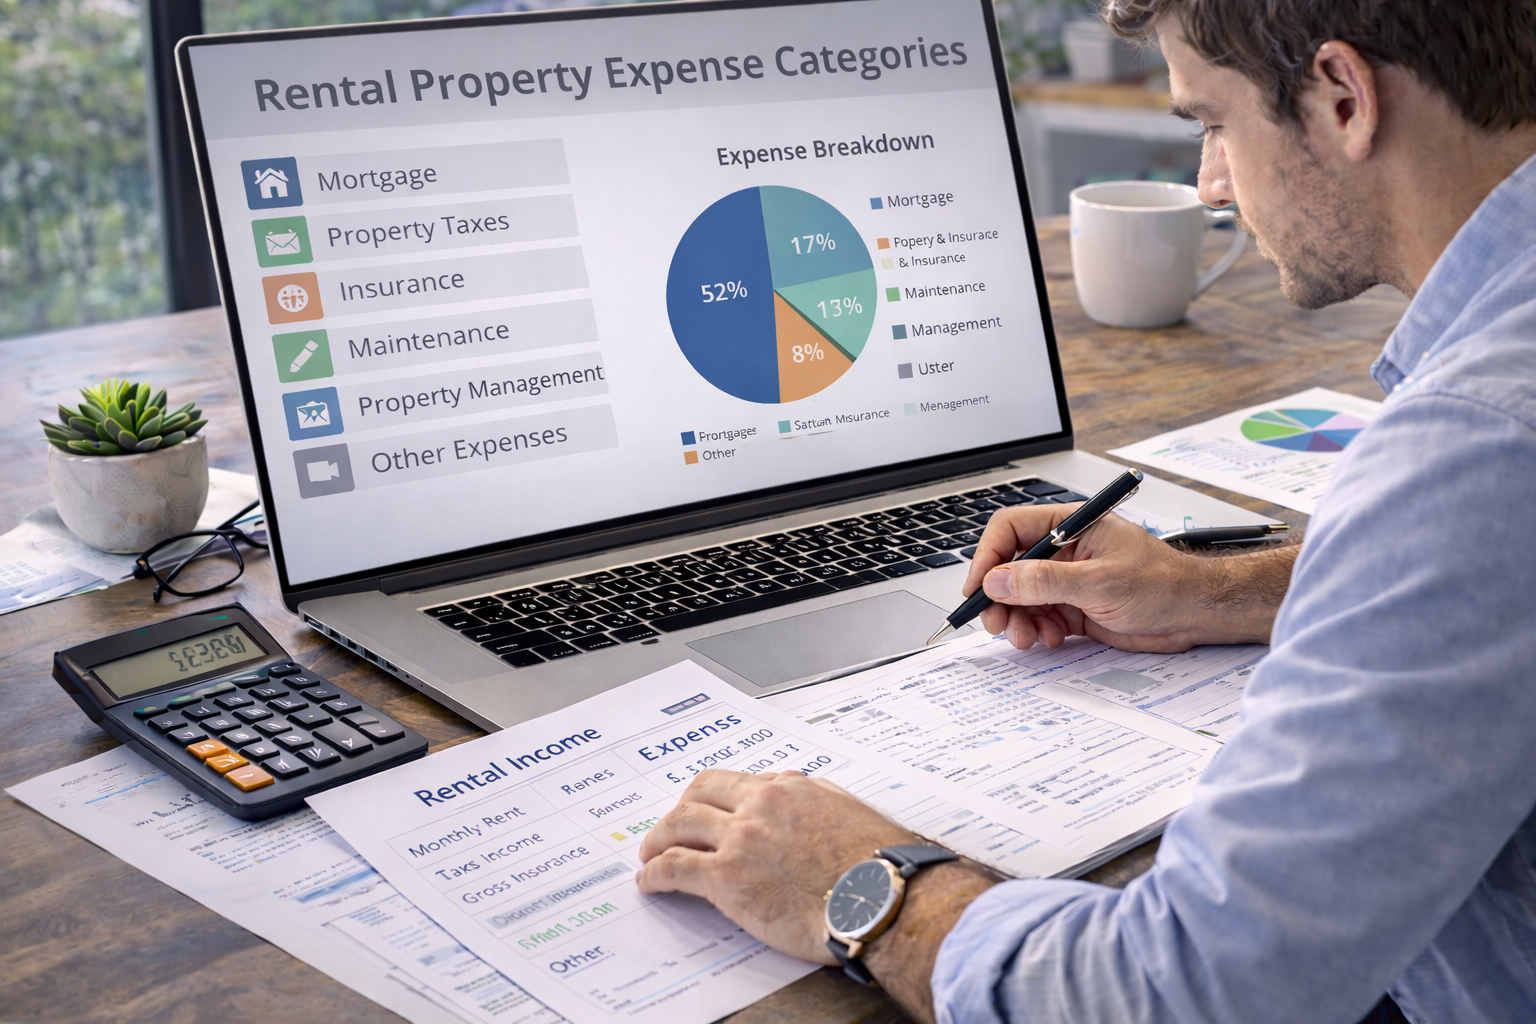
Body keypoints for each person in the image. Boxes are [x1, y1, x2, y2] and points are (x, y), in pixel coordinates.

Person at [634, 1, 1536, 1022]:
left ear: (1342, 96)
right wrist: (1214, 589)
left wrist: (866, 885)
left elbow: (1176, 995)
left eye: (1211, 122)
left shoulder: (1478, 444)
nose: (1211, 183)